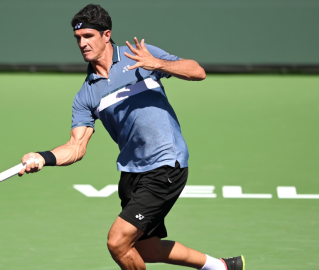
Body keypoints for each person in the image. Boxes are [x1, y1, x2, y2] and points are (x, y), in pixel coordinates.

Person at [19, 4, 244, 270]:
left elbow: (197, 71)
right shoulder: (86, 95)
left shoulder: (138, 56)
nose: (82, 43)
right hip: (132, 172)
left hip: (165, 165)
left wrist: (157, 64)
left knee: (117, 242)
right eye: (78, 38)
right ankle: (221, 267)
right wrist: (43, 157)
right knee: (146, 249)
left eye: (88, 36)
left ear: (106, 35)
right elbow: (75, 147)